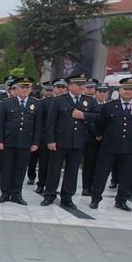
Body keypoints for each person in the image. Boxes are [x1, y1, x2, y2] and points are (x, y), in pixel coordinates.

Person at [89, 78, 132, 211]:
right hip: (109, 146)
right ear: (119, 90)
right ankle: (95, 199)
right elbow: (100, 124)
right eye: (125, 89)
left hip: (129, 147)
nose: (127, 92)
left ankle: (121, 200)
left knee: (126, 175)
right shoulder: (109, 106)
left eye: (130, 89)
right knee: (101, 174)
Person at [42, 73, 99, 208]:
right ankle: (49, 195)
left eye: (82, 85)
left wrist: (83, 115)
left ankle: (67, 197)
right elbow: (51, 122)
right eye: (78, 85)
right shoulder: (59, 100)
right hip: (60, 141)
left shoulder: (89, 100)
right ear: (70, 86)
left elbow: (98, 116)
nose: (81, 87)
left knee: (72, 171)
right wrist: (51, 140)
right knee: (54, 170)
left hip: (78, 142)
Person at [0, 76, 42, 205]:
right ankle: (5, 193)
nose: (25, 90)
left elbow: (38, 125)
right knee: (7, 168)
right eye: (22, 87)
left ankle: (16, 194)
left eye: (27, 87)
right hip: (8, 142)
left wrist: (35, 142)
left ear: (31, 89)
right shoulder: (6, 103)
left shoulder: (36, 104)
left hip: (25, 143)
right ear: (16, 88)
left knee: (20, 169)